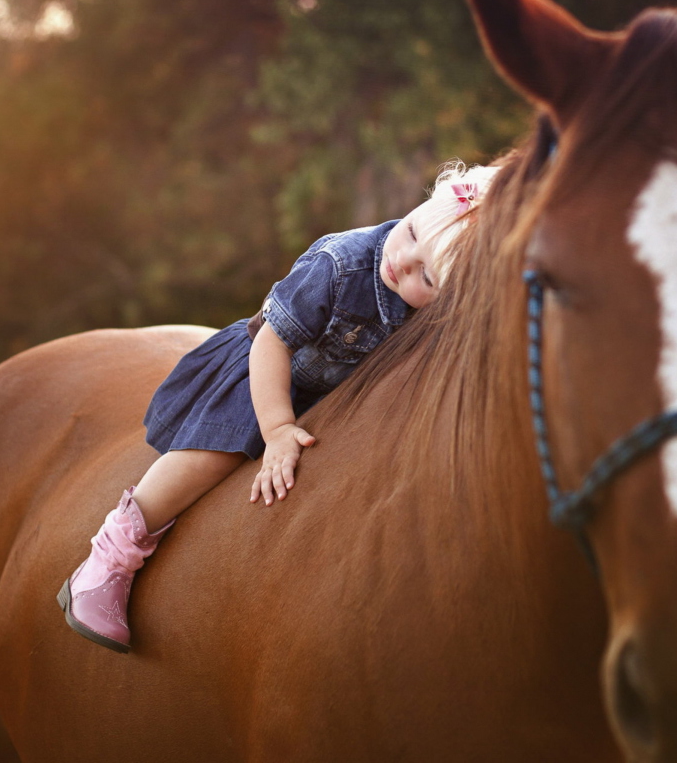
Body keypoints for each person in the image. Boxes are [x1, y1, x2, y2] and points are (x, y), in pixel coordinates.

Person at [56, 162, 500, 653]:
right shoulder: (341, 263)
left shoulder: (429, 310)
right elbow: (272, 344)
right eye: (413, 232)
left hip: (331, 398)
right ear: (424, 201)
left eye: (428, 276)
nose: (405, 260)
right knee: (212, 457)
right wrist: (277, 427)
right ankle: (108, 562)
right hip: (263, 374)